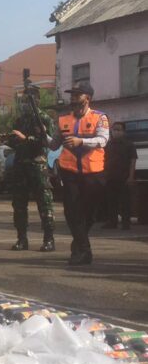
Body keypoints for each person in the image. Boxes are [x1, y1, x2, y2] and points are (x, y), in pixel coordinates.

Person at [47, 81, 109, 265]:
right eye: (72, 95)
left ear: (87, 98)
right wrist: (43, 135)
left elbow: (103, 140)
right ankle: (84, 250)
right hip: (70, 172)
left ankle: (79, 245)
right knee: (72, 212)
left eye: (77, 95)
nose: (73, 98)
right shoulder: (63, 118)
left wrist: (80, 142)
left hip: (93, 172)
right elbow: (53, 145)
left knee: (89, 214)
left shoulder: (100, 117)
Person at [5, 86, 56, 252]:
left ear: (36, 100)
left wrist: (26, 138)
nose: (24, 104)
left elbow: (48, 142)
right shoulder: (20, 120)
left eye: (27, 101)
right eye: (22, 101)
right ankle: (22, 239)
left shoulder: (44, 119)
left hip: (37, 165)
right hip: (21, 165)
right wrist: (10, 140)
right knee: (19, 205)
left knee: (44, 204)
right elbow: (16, 142)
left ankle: (49, 239)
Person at [103, 121, 137, 230]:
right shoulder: (108, 144)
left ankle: (126, 223)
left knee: (125, 202)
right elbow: (104, 160)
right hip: (110, 177)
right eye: (114, 129)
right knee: (111, 201)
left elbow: (133, 161)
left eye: (118, 129)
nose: (115, 132)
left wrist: (131, 177)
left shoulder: (129, 145)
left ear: (123, 131)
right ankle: (112, 222)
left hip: (124, 177)